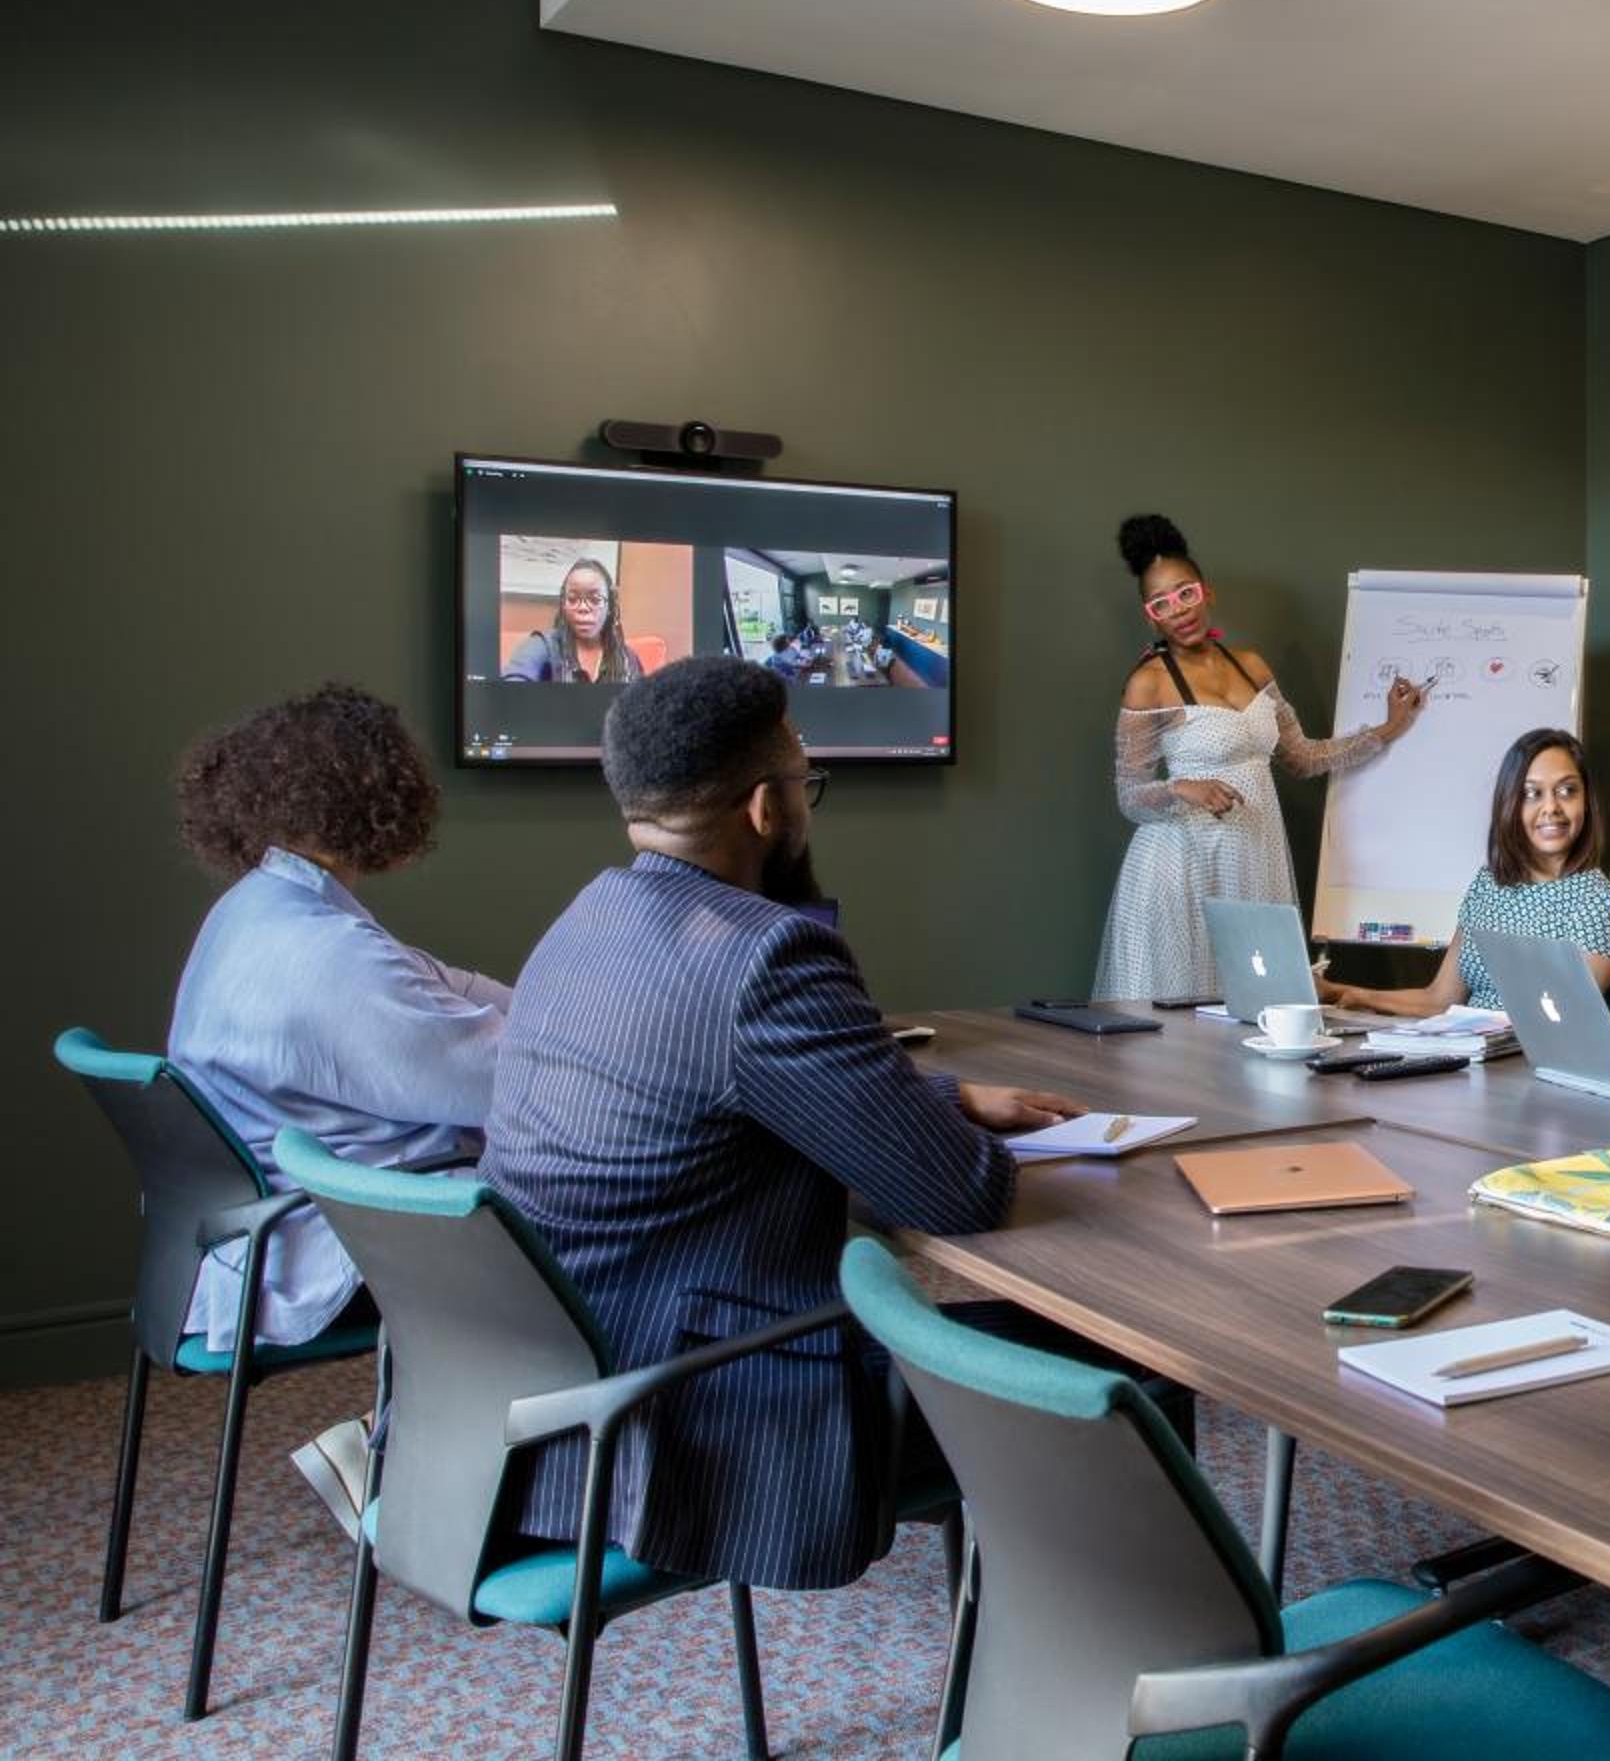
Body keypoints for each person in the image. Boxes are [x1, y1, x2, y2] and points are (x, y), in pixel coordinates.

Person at [479, 656, 1086, 1591]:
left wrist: (940, 1096)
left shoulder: (588, 918)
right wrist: (941, 1125)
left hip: (550, 1394)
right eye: (808, 782)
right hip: (696, 1414)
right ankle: (1120, 1648)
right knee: (1094, 1359)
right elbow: (958, 1194)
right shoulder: (770, 954)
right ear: (766, 808)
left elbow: (718, 1089)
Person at [166, 682, 511, 1526]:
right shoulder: (323, 954)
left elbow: (443, 987)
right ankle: (411, 1454)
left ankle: (435, 1447)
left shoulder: (261, 907)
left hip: (256, 1227)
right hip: (323, 1241)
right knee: (599, 1208)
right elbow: (496, 1078)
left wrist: (562, 1007)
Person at [1092, 513, 1423, 998]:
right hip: (1181, 866)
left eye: (1186, 593)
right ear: (1151, 617)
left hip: (1252, 861)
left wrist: (1388, 728)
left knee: (1250, 1011)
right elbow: (1130, 797)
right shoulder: (1149, 683)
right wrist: (1183, 787)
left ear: (1207, 593)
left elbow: (1303, 757)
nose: (1179, 610)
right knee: (1175, 1020)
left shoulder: (1250, 666)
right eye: (1162, 603)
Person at [1329, 728, 1610, 1017]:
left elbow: (1563, 1023)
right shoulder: (1489, 883)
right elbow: (1440, 1000)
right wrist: (1348, 994)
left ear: (1586, 802)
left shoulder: (1599, 901)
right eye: (1531, 793)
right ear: (1510, 803)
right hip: (1461, 1043)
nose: (1551, 807)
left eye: (1567, 791)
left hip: (1519, 1050)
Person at [502, 554, 644, 683]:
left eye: (595, 599)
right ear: (563, 605)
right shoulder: (543, 646)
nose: (583, 608)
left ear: (610, 607)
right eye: (572, 599)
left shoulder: (627, 659)